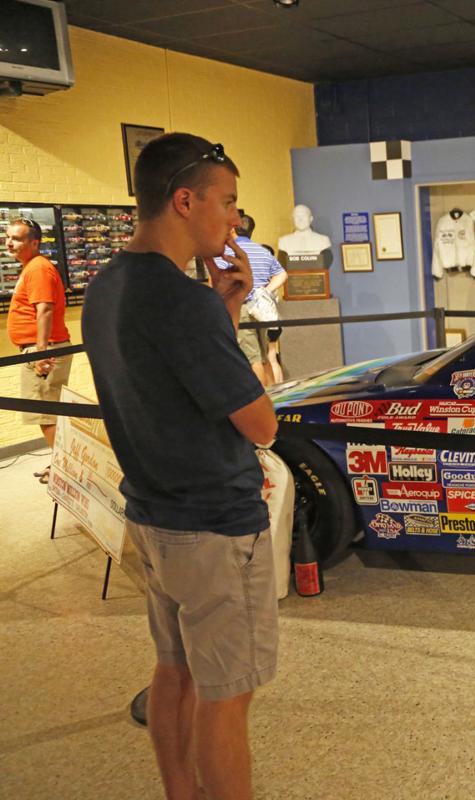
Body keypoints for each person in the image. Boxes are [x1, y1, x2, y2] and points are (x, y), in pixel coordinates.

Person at [81, 133, 279, 800]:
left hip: (154, 513)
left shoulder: (108, 284)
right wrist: (219, 314)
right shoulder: (180, 300)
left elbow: (177, 378)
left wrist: (224, 302)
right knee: (228, 696)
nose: (235, 220)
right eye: (227, 203)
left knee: (175, 670)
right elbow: (259, 421)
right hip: (216, 525)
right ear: (185, 199)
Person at [5, 217, 73, 479]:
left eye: (17, 238)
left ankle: (66, 472)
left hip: (43, 350)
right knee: (51, 414)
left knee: (47, 416)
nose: (10, 243)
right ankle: (62, 463)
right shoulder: (32, 267)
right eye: (8, 237)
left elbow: (44, 309)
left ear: (34, 243)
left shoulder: (38, 269)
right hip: (40, 348)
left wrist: (42, 353)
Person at [213, 213, 287, 386]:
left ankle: (260, 398)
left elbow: (220, 281)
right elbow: (282, 273)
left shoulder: (228, 253)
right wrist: (265, 291)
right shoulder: (262, 251)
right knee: (266, 356)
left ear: (233, 228)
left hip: (243, 308)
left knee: (253, 358)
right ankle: (272, 399)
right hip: (261, 309)